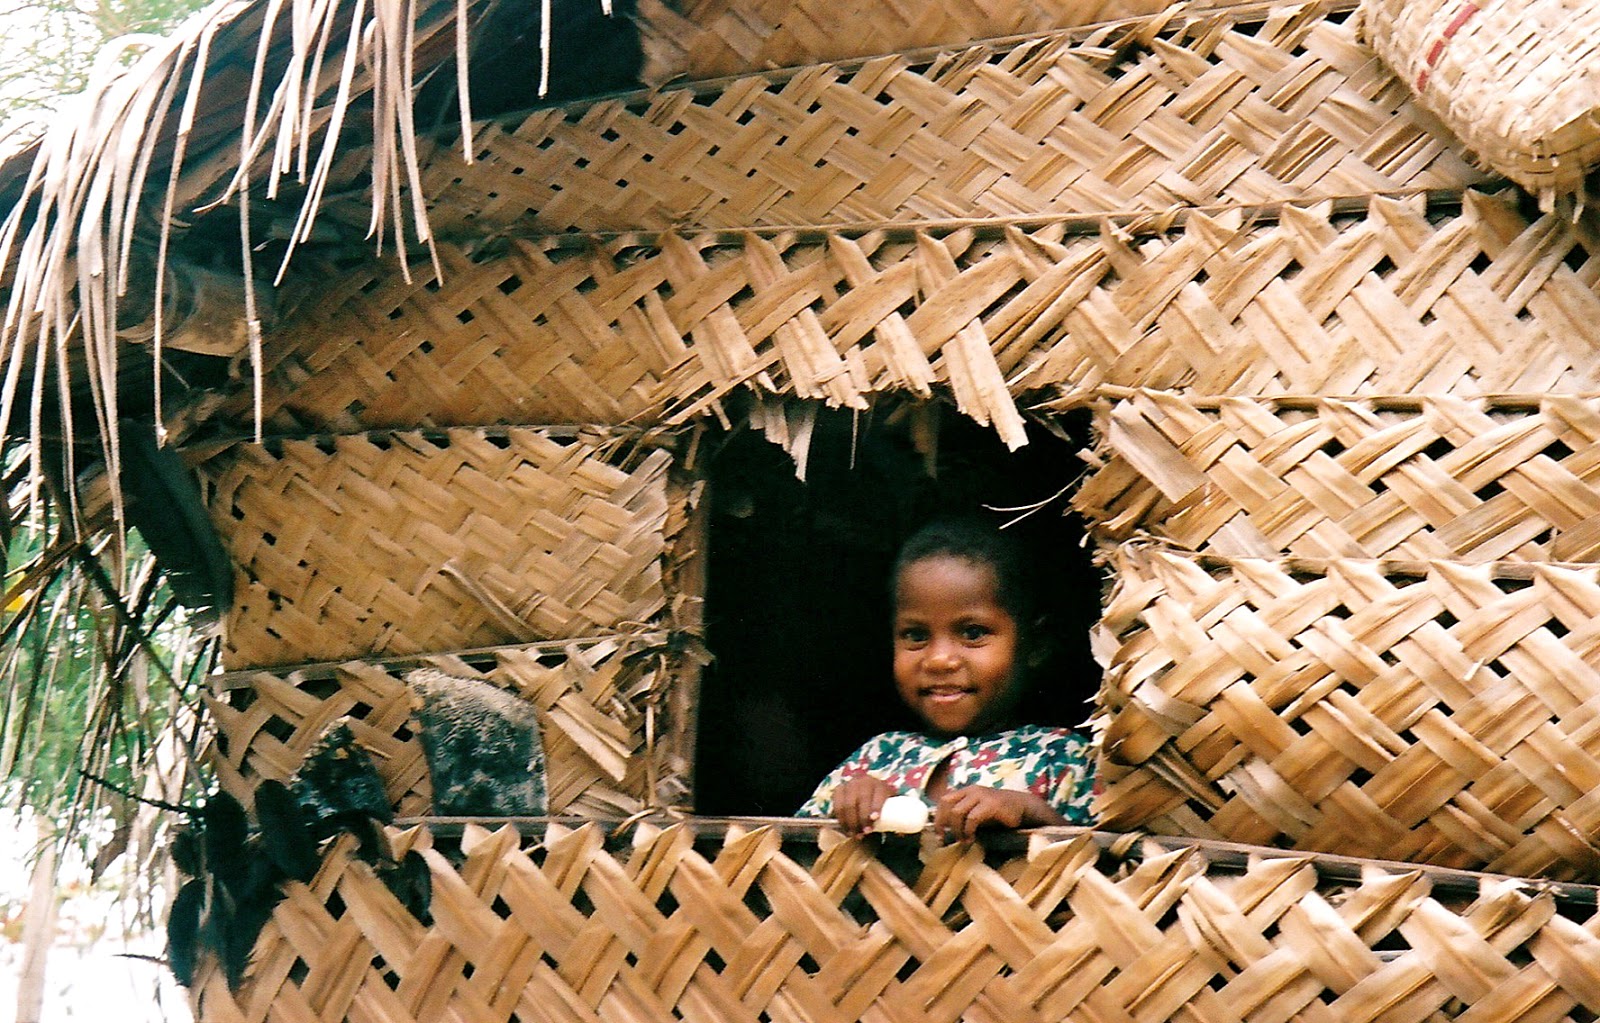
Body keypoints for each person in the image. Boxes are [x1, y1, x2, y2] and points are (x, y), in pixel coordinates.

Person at [797, 517, 1095, 840]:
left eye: (973, 633)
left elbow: (1110, 860)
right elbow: (791, 852)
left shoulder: (1063, 758)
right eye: (916, 635)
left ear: (1034, 645)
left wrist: (1032, 814)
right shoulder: (875, 757)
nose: (939, 660)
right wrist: (848, 806)